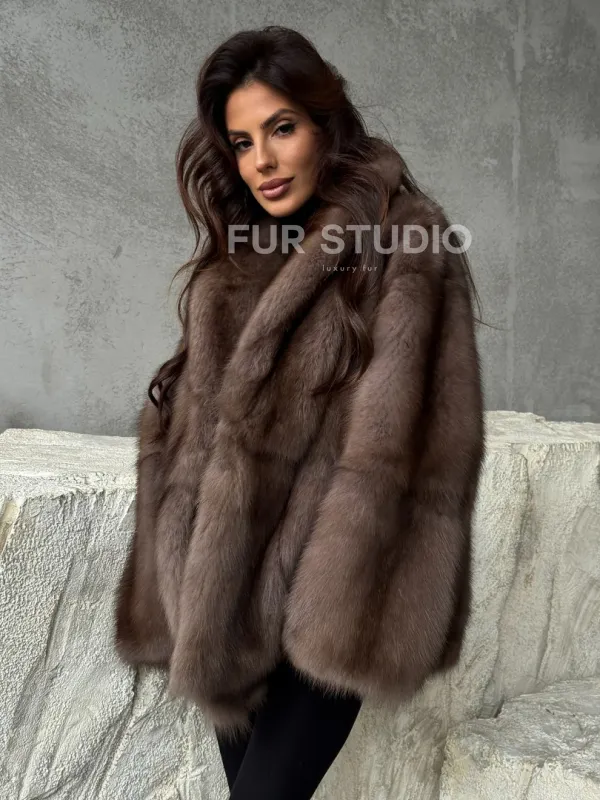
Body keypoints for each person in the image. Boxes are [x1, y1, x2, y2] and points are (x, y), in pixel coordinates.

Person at [114, 25, 486, 800]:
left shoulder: (407, 244)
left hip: (327, 610)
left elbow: (407, 450)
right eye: (243, 142)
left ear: (325, 124)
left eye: (281, 128)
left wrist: (322, 607)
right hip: (222, 610)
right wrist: (189, 578)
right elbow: (196, 431)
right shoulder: (239, 256)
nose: (263, 160)